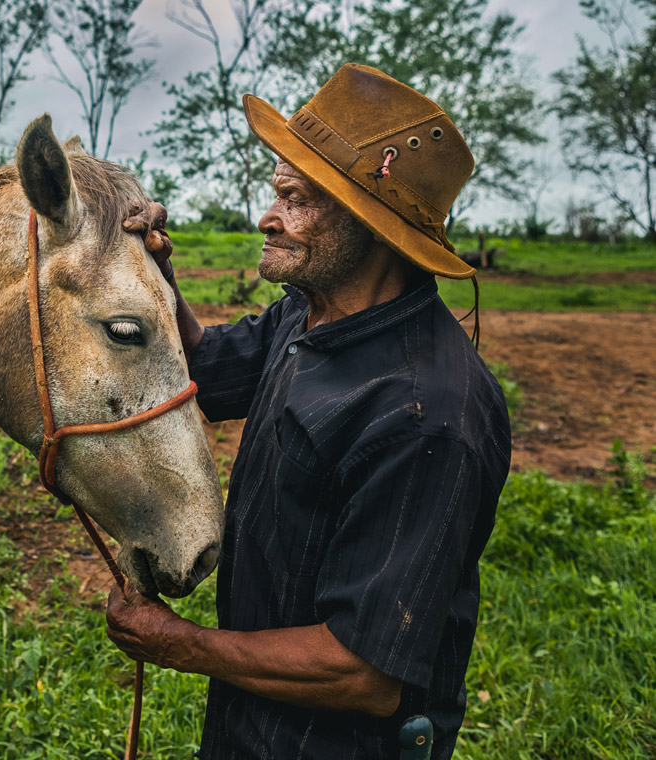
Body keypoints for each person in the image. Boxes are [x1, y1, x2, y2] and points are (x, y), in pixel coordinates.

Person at [111, 63, 512, 759]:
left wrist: (183, 644)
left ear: (369, 221)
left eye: (295, 199)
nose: (268, 217)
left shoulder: (426, 416)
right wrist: (157, 275)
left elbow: (363, 672)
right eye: (277, 194)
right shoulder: (309, 310)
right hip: (254, 717)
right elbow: (206, 367)